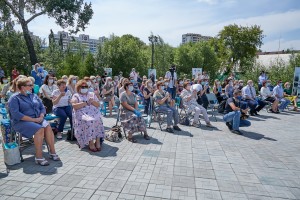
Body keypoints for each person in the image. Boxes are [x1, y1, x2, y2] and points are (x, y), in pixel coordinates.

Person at [8, 77, 60, 166]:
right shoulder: (14, 98)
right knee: (39, 129)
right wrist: (33, 120)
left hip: (38, 119)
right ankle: (39, 157)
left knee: (47, 127)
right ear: (23, 87)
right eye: (30, 85)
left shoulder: (33, 95)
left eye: (32, 85)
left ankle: (52, 152)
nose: (32, 87)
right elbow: (16, 114)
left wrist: (41, 115)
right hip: (21, 122)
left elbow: (42, 107)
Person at [71, 80, 105, 151]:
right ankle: (90, 142)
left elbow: (98, 105)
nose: (84, 88)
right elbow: (74, 106)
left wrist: (92, 101)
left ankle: (98, 141)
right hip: (82, 113)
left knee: (98, 119)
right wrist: (85, 102)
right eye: (82, 87)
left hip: (93, 112)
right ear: (79, 87)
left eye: (86, 86)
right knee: (89, 121)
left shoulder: (91, 94)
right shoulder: (76, 95)